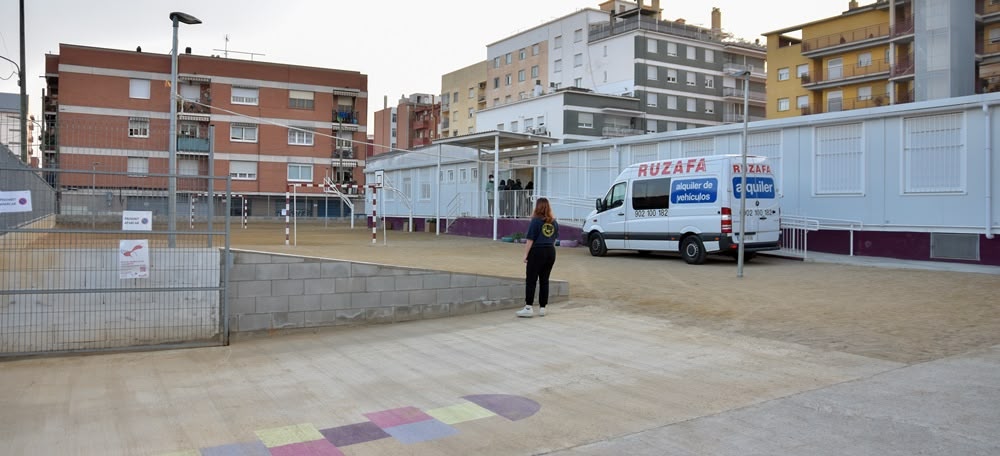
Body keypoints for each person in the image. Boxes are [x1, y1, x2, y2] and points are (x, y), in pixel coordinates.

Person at [517, 197, 559, 318]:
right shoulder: (554, 222)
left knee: (531, 279)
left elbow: (530, 239)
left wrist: (525, 254)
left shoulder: (535, 221)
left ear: (537, 207)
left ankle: (528, 307)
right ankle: (543, 308)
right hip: (550, 252)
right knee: (544, 280)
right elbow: (554, 239)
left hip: (537, 251)